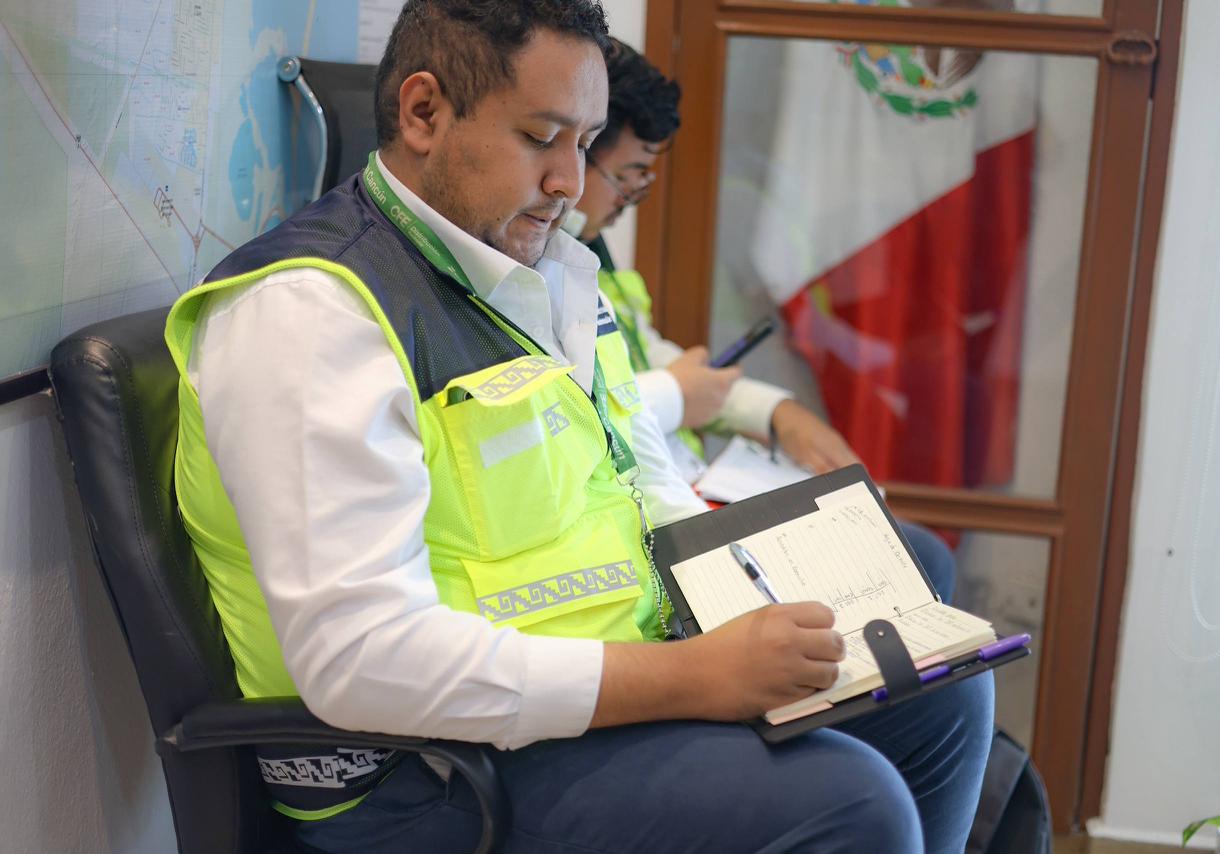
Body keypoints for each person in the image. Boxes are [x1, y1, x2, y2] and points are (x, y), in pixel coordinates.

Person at [164, 2, 992, 851]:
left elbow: (636, 482)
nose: (569, 180)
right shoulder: (311, 314)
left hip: (587, 682)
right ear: (424, 113)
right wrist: (692, 676)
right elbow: (363, 661)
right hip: (424, 768)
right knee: (851, 803)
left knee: (943, 697)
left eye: (586, 144)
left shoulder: (541, 268)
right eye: (541, 137)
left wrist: (742, 598)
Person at [574, 37, 957, 605]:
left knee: (910, 548)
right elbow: (573, 408)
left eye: (642, 182)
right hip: (636, 520)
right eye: (627, 177)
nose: (629, 200)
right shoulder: (532, 258)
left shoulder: (585, 248)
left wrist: (776, 412)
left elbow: (651, 356)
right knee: (913, 557)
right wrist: (676, 394)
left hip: (680, 488)